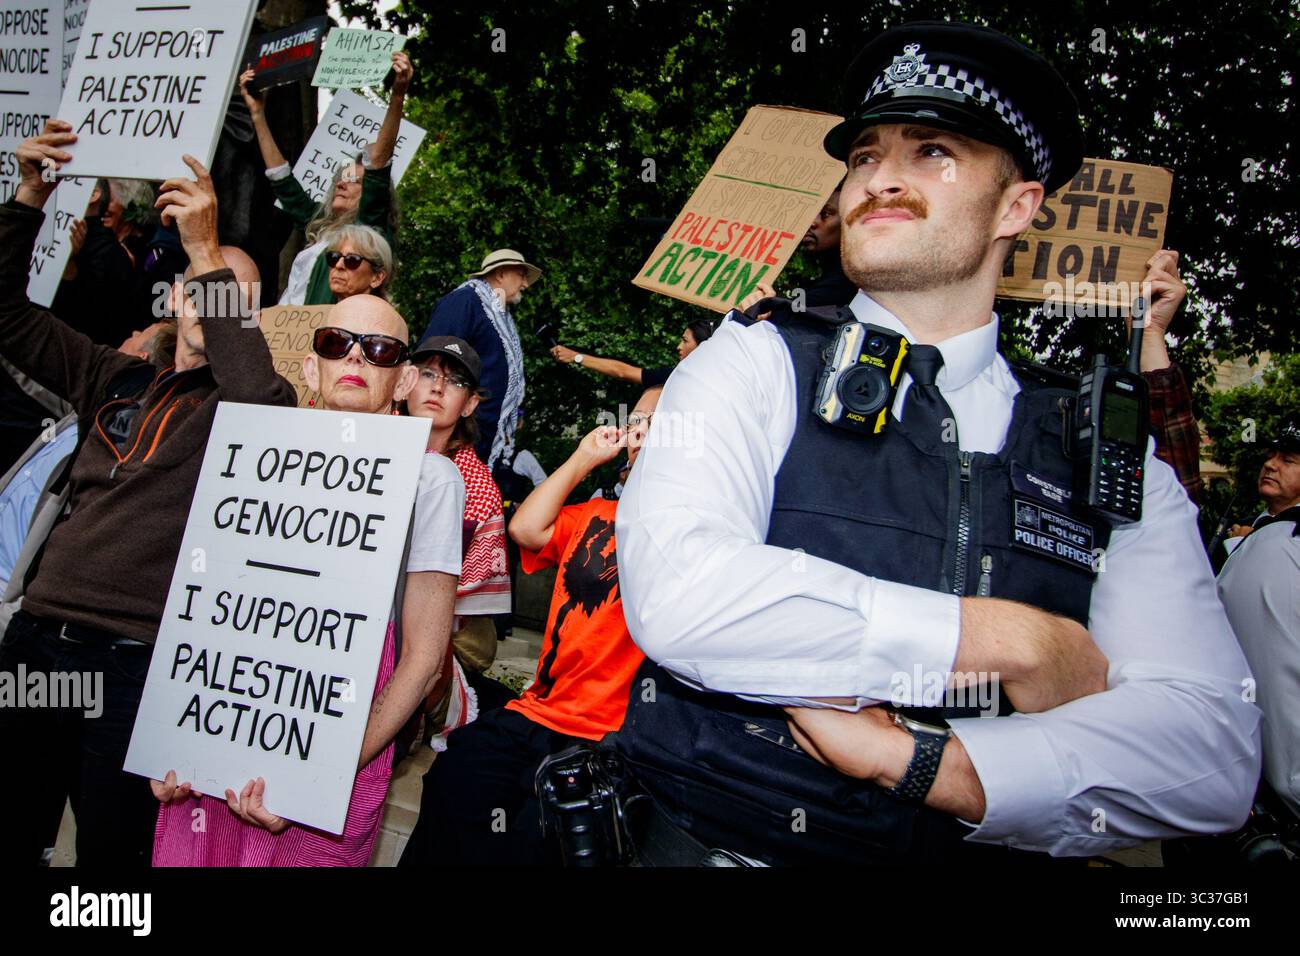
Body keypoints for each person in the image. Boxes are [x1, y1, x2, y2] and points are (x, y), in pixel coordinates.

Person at [613, 21, 1259, 865]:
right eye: (865, 156)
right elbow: (684, 593)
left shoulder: (1102, 446)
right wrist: (1014, 643)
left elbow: (1211, 752)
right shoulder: (754, 358)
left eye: (932, 153)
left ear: (1018, 207)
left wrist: (930, 764)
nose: (881, 180)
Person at [0, 120, 297, 867]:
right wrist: (28, 196)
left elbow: (257, 406)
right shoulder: (117, 374)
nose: (207, 300)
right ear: (173, 302)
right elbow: (6, 315)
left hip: (136, 667)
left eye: (229, 294)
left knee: (112, 858)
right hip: (37, 644)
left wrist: (205, 250)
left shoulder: (258, 405)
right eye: (197, 289)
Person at [151, 295, 464, 866]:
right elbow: (204, 610)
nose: (356, 358)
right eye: (335, 343)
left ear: (403, 382)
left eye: (380, 350)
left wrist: (320, 775)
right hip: (229, 710)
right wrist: (175, 749)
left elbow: (423, 658)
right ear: (309, 366)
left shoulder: (431, 477)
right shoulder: (250, 453)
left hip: (341, 742)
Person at [399, 387, 660, 867]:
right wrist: (583, 459)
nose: (642, 430)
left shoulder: (695, 537)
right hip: (536, 714)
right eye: (638, 419)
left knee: (533, 841)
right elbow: (526, 529)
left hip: (609, 739)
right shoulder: (596, 516)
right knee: (454, 779)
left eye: (661, 421)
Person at [239, 51, 411, 305]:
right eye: (341, 178)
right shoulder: (319, 225)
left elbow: (377, 166)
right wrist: (257, 115)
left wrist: (397, 95)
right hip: (286, 333)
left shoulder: (369, 228)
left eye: (354, 181)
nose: (341, 182)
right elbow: (283, 181)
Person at [402, 335, 510, 713]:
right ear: (404, 382)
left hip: (436, 636)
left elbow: (460, 608)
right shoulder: (366, 447)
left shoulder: (479, 488)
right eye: (428, 373)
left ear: (470, 405)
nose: (438, 387)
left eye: (456, 382)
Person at [1216, 422, 1300, 818]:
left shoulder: (1287, 544)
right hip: (1241, 766)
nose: (1271, 464)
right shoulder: (1265, 533)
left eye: (1289, 460)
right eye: (1272, 455)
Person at [422, 248, 541, 469]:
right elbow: (433, 359)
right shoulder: (464, 301)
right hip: (455, 436)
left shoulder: (501, 318)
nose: (525, 284)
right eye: (522, 275)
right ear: (501, 273)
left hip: (480, 435)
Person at [550, 319, 714, 388]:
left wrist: (575, 357)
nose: (678, 346)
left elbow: (622, 372)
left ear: (702, 346)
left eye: (685, 341)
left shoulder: (677, 378)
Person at [320, 224, 394, 301]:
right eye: (334, 257)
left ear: (377, 277)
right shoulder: (321, 311)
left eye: (352, 260)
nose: (338, 265)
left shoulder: (380, 312)